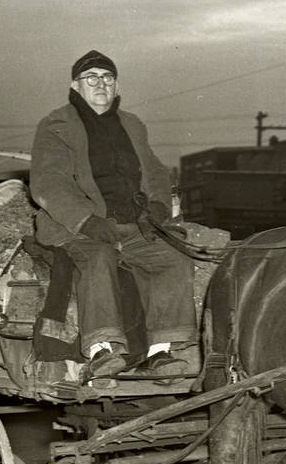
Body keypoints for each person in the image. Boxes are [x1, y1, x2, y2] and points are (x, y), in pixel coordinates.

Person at [30, 50, 196, 379]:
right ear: (75, 86)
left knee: (173, 259)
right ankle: (101, 351)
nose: (101, 83)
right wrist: (86, 221)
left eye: (108, 77)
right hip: (77, 226)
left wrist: (157, 209)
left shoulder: (132, 125)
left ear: (116, 86)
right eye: (92, 78)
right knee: (99, 258)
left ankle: (160, 352)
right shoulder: (56, 126)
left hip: (132, 225)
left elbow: (156, 173)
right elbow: (49, 182)